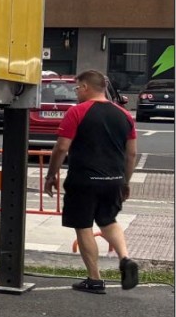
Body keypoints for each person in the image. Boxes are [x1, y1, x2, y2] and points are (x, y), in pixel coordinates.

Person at [46, 69, 138, 293]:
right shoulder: (124, 115)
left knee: (83, 225)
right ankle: (125, 258)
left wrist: (51, 175)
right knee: (108, 220)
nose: (76, 92)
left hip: (83, 180)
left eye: (77, 88)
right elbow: (131, 154)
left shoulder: (77, 112)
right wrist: (125, 182)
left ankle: (94, 279)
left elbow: (62, 147)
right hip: (114, 180)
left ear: (86, 87)